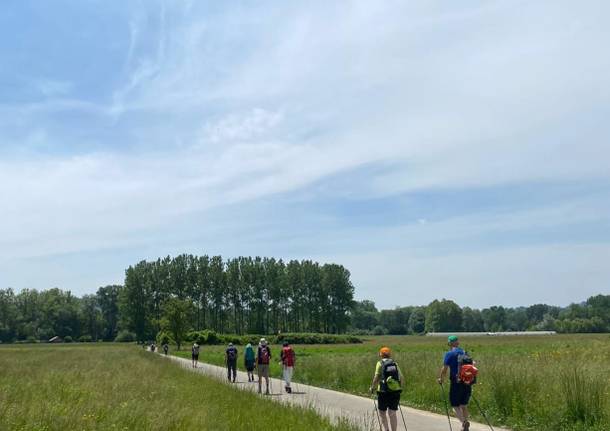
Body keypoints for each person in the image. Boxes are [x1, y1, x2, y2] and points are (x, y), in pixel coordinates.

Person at [437, 335, 471, 431]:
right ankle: (465, 425)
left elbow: (444, 369)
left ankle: (464, 423)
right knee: (464, 405)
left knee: (455, 406)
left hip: (456, 382)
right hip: (467, 382)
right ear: (458, 343)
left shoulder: (449, 354)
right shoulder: (465, 352)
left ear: (449, 343)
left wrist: (441, 379)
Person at [369, 346, 403, 431]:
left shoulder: (379, 363)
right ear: (389, 354)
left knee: (382, 412)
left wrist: (372, 387)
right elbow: (402, 378)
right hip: (395, 391)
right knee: (392, 413)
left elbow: (376, 377)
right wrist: (398, 387)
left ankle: (386, 429)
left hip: (383, 391)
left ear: (381, 354)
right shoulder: (395, 363)